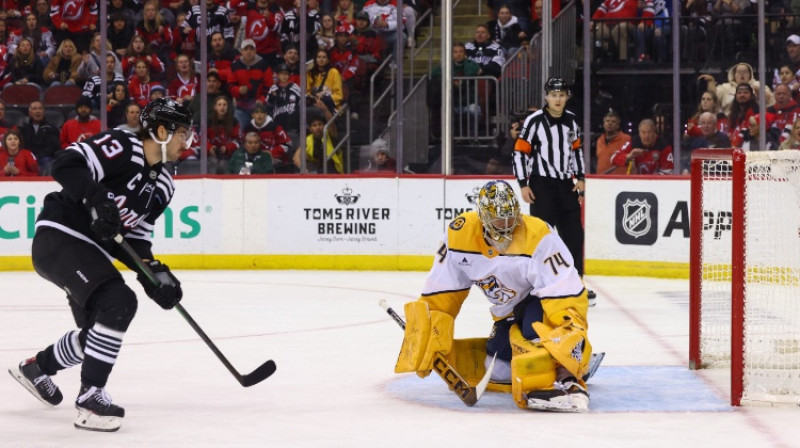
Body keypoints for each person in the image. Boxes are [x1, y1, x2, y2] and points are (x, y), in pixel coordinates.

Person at [8, 98, 192, 432]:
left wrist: (153, 274)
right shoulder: (123, 146)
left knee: (98, 333)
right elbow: (65, 164)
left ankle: (38, 367)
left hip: (91, 253)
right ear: (162, 131)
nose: (187, 142)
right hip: (60, 236)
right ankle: (90, 398)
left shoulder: (164, 186)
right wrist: (96, 197)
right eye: (182, 133)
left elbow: (135, 240)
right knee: (118, 301)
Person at [394, 179, 592, 412]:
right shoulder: (460, 235)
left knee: (534, 331)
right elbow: (441, 293)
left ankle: (567, 377)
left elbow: (564, 291)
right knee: (499, 368)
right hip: (506, 312)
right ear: (484, 218)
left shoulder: (538, 235)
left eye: (511, 218)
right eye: (500, 220)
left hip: (542, 300)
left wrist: (569, 337)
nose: (507, 226)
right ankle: (542, 359)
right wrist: (429, 332)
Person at [512, 77, 595, 303]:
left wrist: (580, 178)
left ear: (566, 97)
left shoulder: (571, 122)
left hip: (565, 185)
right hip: (541, 185)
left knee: (574, 235)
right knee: (542, 236)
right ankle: (539, 283)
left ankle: (576, 282)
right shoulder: (534, 121)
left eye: (561, 95)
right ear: (546, 97)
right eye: (553, 95)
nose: (558, 99)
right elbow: (520, 152)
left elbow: (576, 151)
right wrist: (523, 183)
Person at [698, 62, 774, 117]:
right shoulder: (725, 87)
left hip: (755, 119)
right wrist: (711, 82)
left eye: (745, 72)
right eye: (739, 72)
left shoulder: (758, 84)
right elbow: (713, 99)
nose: (742, 74)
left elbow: (771, 101)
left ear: (750, 74)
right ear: (733, 75)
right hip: (729, 119)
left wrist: (759, 91)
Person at [21, 101, 60, 175]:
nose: (37, 111)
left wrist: (37, 157)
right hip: (28, 158)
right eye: (34, 109)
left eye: (40, 109)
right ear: (29, 113)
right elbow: (23, 147)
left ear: (44, 112)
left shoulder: (51, 128)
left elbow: (52, 147)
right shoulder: (24, 130)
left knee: (47, 161)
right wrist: (30, 157)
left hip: (44, 158)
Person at [595, 109, 631, 175]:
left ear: (618, 125)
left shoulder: (627, 139)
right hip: (601, 181)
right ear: (604, 124)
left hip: (619, 181)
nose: (610, 123)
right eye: (607, 121)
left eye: (613, 122)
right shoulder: (599, 141)